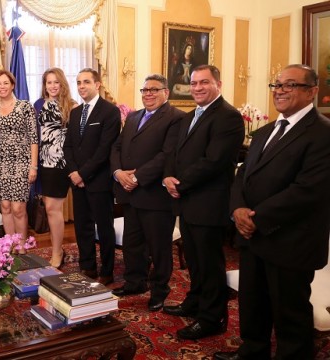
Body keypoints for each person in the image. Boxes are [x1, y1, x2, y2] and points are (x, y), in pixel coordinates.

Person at [215, 65, 330, 360]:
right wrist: (238, 209)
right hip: (253, 238)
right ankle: (253, 351)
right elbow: (242, 176)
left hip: (291, 240)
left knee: (289, 314)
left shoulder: (322, 133)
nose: (279, 90)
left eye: (290, 85)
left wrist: (255, 218)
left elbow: (307, 190)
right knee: (253, 305)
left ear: (312, 92)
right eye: (276, 85)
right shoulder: (265, 131)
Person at [162, 65, 244, 340]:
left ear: (218, 84)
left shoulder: (229, 117)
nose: (197, 87)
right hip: (187, 202)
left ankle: (212, 318)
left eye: (204, 83)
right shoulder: (188, 117)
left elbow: (215, 161)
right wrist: (168, 178)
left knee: (210, 264)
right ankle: (194, 302)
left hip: (209, 203)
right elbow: (173, 154)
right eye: (194, 83)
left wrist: (180, 183)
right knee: (195, 260)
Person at [110, 74, 184, 311]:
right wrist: (118, 172)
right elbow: (117, 147)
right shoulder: (133, 117)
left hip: (154, 196)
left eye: (154, 90)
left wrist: (137, 177)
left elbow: (166, 155)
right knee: (133, 243)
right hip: (130, 194)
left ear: (166, 93)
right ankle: (135, 282)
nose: (148, 94)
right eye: (144, 90)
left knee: (159, 247)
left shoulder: (176, 118)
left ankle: (160, 290)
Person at [63, 68, 120, 286]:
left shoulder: (109, 111)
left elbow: (105, 149)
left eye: (86, 82)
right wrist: (73, 173)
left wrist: (83, 173)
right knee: (82, 226)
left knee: (104, 228)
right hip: (77, 181)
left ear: (97, 84)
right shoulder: (76, 112)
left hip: (99, 181)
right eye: (78, 82)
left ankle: (107, 270)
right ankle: (88, 266)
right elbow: (68, 146)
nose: (81, 86)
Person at [0, 70, 38, 251]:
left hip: (22, 163)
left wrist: (33, 166)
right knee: (5, 206)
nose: (2, 86)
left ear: (12, 85)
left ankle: (21, 246)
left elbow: (34, 137)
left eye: (5, 83)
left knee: (18, 208)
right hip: (1, 163)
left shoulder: (25, 107)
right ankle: (9, 246)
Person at [33, 68, 77, 268]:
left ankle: (57, 252)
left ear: (62, 84)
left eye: (56, 82)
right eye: (48, 82)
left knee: (53, 208)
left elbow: (77, 139)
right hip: (43, 162)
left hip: (61, 163)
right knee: (50, 208)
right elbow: (35, 135)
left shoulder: (72, 106)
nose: (52, 86)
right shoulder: (38, 104)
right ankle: (57, 248)